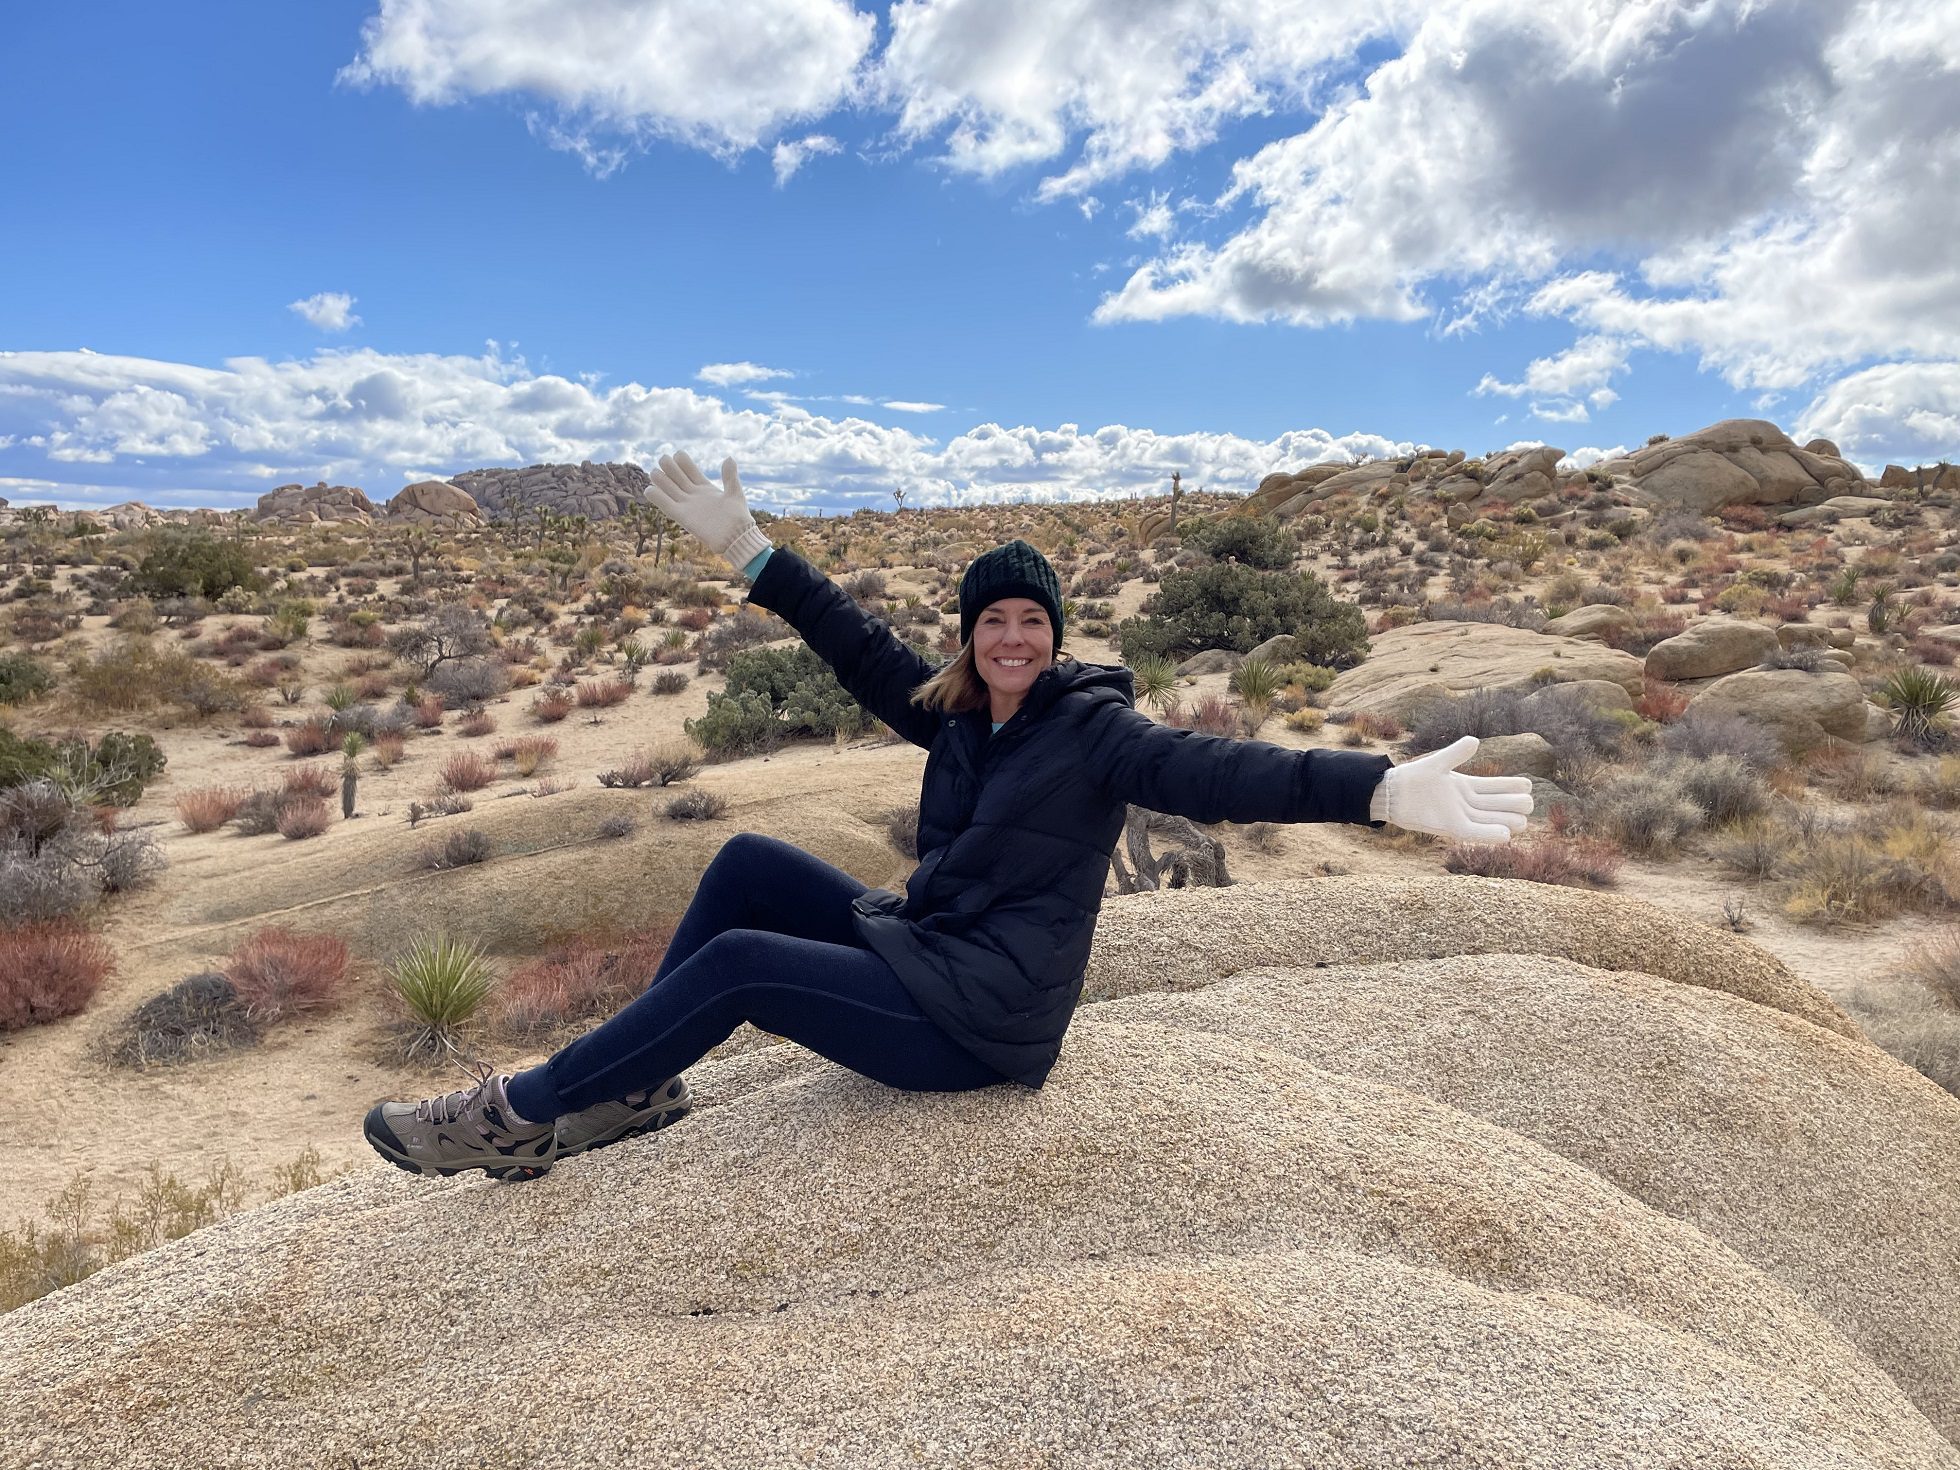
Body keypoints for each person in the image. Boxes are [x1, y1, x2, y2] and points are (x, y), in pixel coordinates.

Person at [363, 452, 1532, 1181]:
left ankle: (518, 1113)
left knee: (739, 966)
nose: (1012, 639)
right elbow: (861, 648)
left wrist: (1376, 789)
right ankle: (632, 1092)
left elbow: (1220, 771)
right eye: (993, 623)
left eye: (1032, 622)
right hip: (932, 954)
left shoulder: (1093, 733)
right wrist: (752, 551)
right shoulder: (966, 718)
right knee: (745, 863)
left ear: (1057, 636)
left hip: (976, 1027)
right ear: (973, 637)